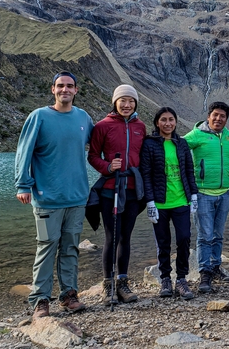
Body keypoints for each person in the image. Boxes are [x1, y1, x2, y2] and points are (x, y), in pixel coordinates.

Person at [15, 71, 94, 318]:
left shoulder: (83, 117)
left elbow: (100, 143)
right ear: (53, 89)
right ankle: (40, 300)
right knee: (46, 248)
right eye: (60, 86)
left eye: (70, 86)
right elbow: (23, 152)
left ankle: (69, 295)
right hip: (47, 197)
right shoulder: (39, 116)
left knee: (70, 248)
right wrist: (23, 184)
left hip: (77, 197)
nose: (65, 90)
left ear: (76, 90)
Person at [88, 84, 147, 304]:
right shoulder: (103, 126)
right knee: (112, 236)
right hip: (110, 189)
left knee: (126, 237)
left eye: (131, 101)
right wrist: (108, 167)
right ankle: (107, 284)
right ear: (115, 102)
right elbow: (93, 156)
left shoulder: (140, 126)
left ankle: (122, 282)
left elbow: (143, 155)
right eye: (123, 100)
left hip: (132, 189)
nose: (127, 104)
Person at [184, 101, 229, 293]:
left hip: (224, 193)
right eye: (215, 115)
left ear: (227, 119)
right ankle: (204, 273)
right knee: (205, 236)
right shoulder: (197, 134)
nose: (218, 119)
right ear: (208, 116)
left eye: (222, 116)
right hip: (202, 194)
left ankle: (216, 267)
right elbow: (179, 147)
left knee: (218, 235)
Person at [140, 107, 199, 300]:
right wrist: (149, 202)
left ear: (175, 121)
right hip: (160, 203)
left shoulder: (181, 144)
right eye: (164, 120)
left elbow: (189, 170)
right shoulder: (149, 144)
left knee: (184, 239)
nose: (168, 123)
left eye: (171, 119)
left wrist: (194, 195)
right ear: (157, 122)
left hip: (181, 200)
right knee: (163, 242)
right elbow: (146, 175)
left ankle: (181, 278)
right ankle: (165, 278)